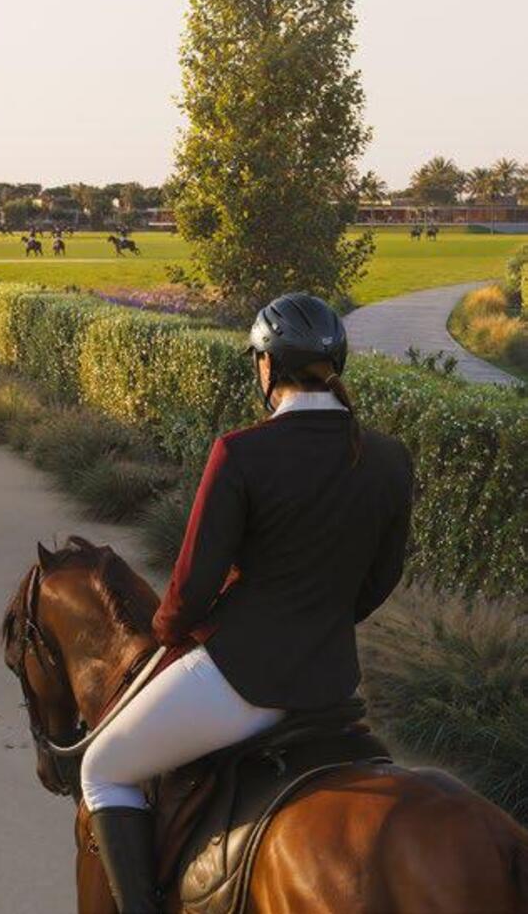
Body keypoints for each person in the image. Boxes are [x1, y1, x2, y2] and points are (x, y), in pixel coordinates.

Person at [79, 292, 414, 914]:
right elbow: (380, 578)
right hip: (333, 684)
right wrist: (320, 622)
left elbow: (192, 587)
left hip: (245, 680)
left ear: (267, 365)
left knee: (102, 769)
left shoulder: (241, 452)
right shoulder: (389, 457)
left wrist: (167, 629)